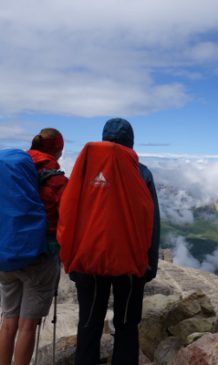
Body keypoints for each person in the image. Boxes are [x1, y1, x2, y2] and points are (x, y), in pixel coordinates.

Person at [60, 118, 160, 365]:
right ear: (131, 142)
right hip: (129, 263)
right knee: (126, 325)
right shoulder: (141, 172)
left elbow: (69, 212)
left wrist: (71, 261)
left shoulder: (84, 169)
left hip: (88, 260)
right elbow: (152, 222)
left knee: (89, 323)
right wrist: (149, 266)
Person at [0, 128, 68, 365]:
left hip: (6, 253)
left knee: (8, 322)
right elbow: (67, 219)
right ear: (58, 150)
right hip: (38, 259)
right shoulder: (56, 179)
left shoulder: (12, 169)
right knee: (27, 326)